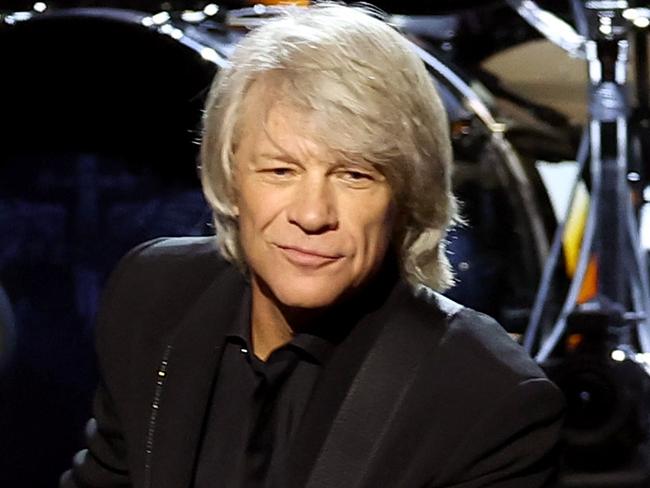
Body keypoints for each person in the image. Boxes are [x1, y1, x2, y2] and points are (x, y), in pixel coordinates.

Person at [60, 3, 565, 487]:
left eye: (354, 175)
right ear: (231, 175)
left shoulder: (486, 397)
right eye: (281, 171)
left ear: (408, 195)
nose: (312, 215)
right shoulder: (153, 296)